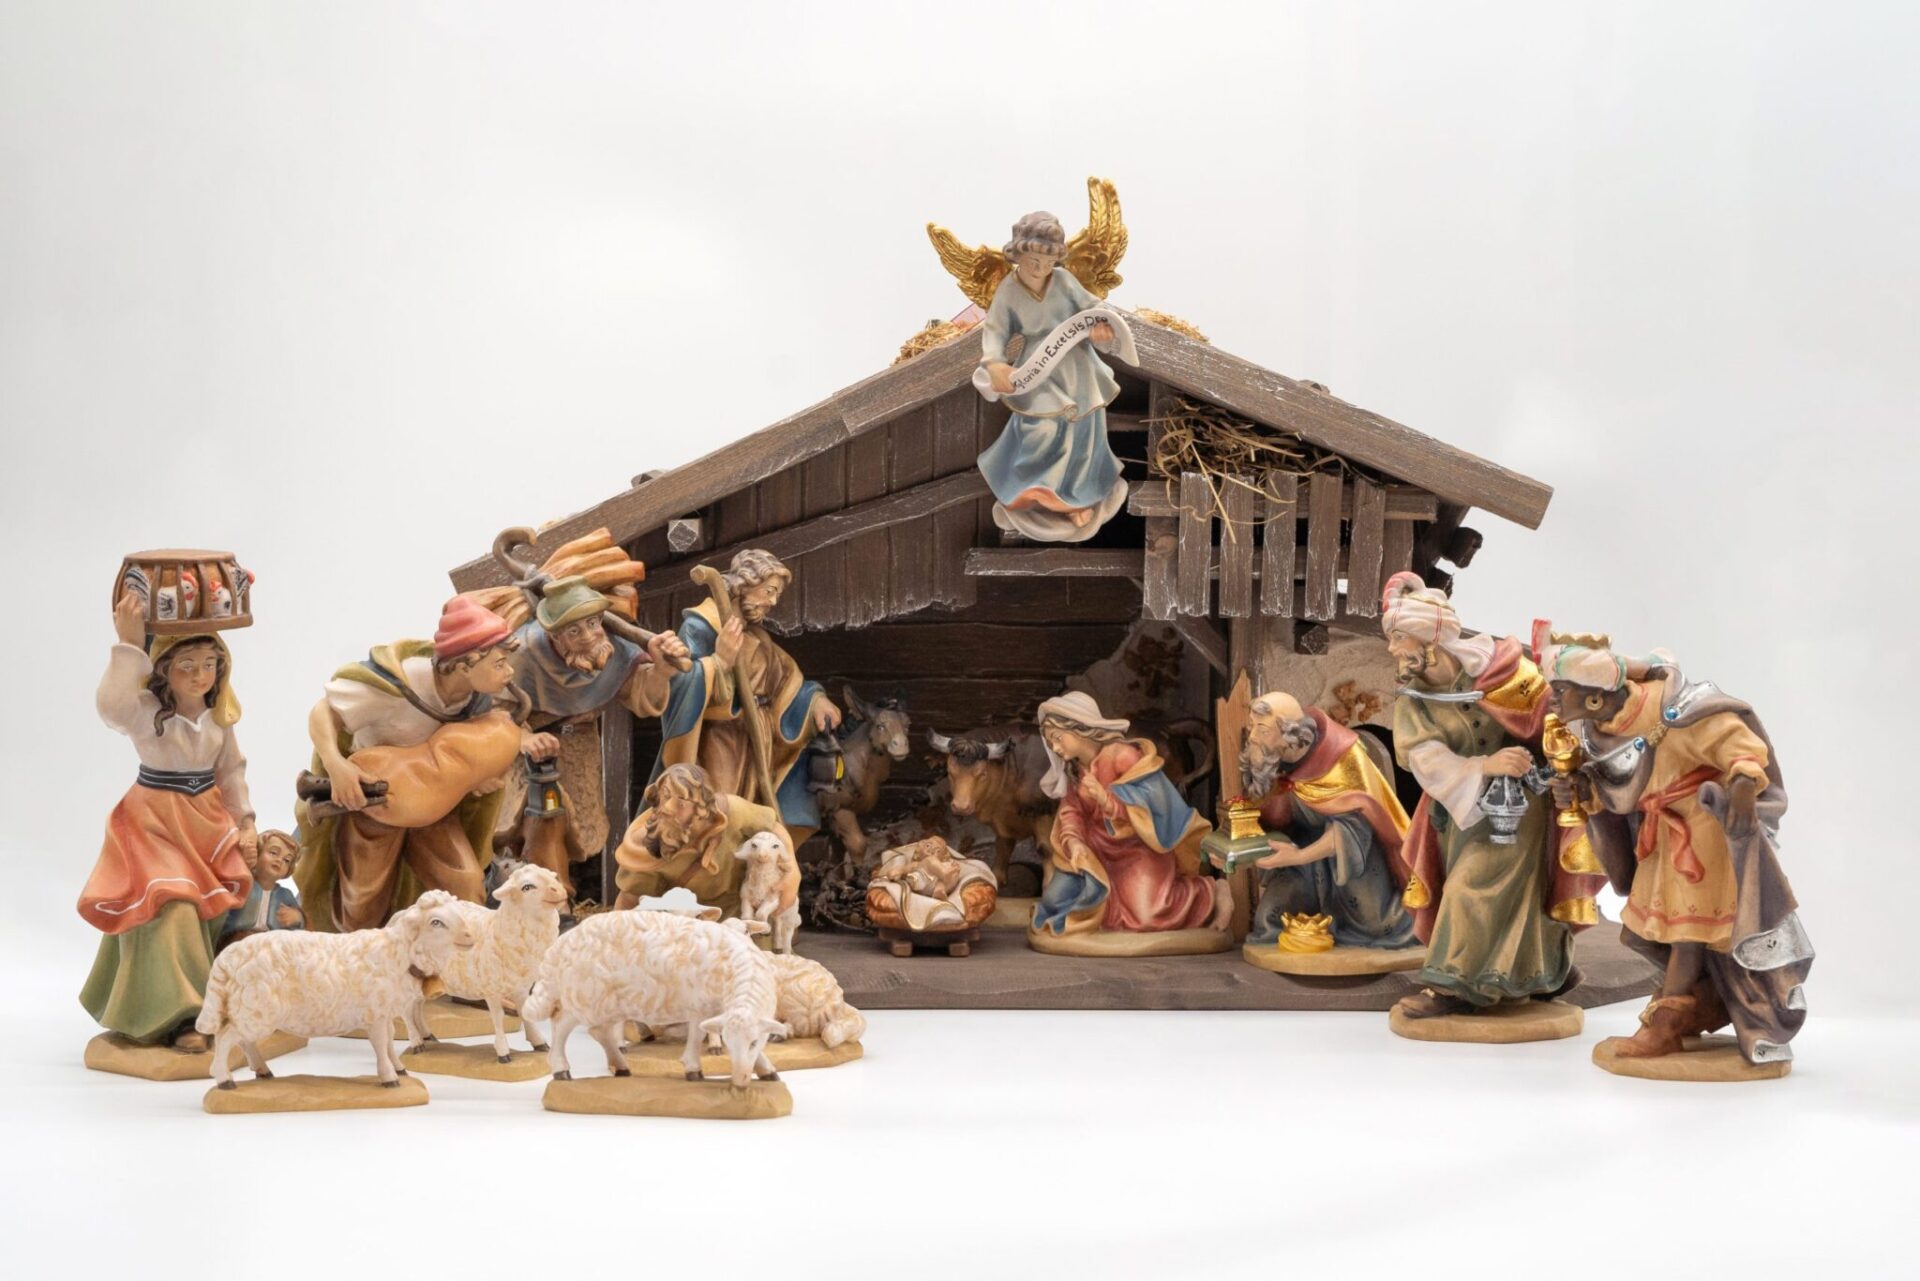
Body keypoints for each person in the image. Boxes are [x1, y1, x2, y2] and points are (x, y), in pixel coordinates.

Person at [1541, 635, 1811, 1064]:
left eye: (1560, 689)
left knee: (1686, 936)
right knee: (1648, 934)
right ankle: (1699, 1003)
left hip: (1702, 836)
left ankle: (1663, 1028)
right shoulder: (1599, 731)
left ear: (1594, 696)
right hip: (1661, 837)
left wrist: (1743, 784)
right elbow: (1618, 790)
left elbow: (1736, 743)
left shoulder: (1673, 713)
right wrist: (1583, 792)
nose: (1552, 698)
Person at [1381, 573, 1601, 1018]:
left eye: (1399, 638)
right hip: (1458, 811)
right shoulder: (1415, 700)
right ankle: (1539, 973)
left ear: (1428, 639)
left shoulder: (1503, 672)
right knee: (1478, 884)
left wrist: (1557, 756)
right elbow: (1422, 758)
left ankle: (1451, 984)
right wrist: (1484, 765)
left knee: (1478, 886)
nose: (1392, 649)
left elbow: (1554, 719)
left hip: (1522, 804)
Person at [293, 596, 537, 931]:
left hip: (434, 807)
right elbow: (325, 712)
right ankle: (358, 958)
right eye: (499, 663)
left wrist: (474, 779)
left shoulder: (476, 700)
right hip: (374, 800)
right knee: (361, 901)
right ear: (464, 665)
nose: (509, 672)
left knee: (465, 885)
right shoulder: (398, 685)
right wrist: (336, 766)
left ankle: (461, 958)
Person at [79, 593, 257, 1050]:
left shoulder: (219, 718)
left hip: (205, 821)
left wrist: (246, 823)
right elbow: (112, 706)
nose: (200, 676)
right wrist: (129, 646)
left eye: (209, 665)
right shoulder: (146, 713)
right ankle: (184, 1014)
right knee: (171, 905)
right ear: (164, 671)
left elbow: (230, 771)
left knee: (217, 910)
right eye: (187, 666)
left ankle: (222, 998)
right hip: (154, 822)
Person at [504, 574, 689, 895]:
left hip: (580, 747)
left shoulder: (614, 649)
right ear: (554, 635)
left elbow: (642, 697)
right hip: (527, 752)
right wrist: (522, 737)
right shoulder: (522, 653)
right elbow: (493, 706)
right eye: (574, 631)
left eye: (593, 623)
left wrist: (661, 670)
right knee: (535, 819)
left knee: (576, 829)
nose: (589, 636)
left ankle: (552, 891)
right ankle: (536, 892)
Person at [650, 549, 837, 849]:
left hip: (758, 736)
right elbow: (681, 684)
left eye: (776, 594)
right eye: (769, 591)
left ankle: (749, 869)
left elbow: (785, 680)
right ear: (746, 584)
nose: (772, 602)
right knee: (721, 811)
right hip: (718, 741)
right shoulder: (700, 627)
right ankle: (713, 868)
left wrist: (816, 701)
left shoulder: (757, 636)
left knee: (755, 816)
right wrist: (719, 662)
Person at [974, 211, 1131, 542]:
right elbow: (995, 331)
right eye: (1034, 260)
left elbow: (1095, 309)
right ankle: (1031, 491)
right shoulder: (1008, 290)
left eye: (1048, 262)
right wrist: (995, 364)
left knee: (1083, 434)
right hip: (1038, 372)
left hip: (1079, 369)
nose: (1040, 268)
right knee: (1040, 431)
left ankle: (1077, 499)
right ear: (1018, 254)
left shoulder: (1064, 281)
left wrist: (1102, 328)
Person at [1030, 692, 1230, 937]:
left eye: (1057, 738)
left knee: (1149, 916)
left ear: (1078, 727)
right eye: (1050, 742)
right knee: (1054, 903)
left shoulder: (1122, 755)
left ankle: (1210, 892)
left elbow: (1154, 803)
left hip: (1137, 848)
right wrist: (1074, 842)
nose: (1055, 747)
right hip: (1095, 852)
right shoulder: (1074, 770)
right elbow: (1071, 812)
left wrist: (1107, 801)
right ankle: (1104, 910)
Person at [1228, 691, 1417, 951]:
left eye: (1262, 730)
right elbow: (1265, 818)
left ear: (1289, 733)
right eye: (1252, 727)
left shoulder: (1341, 758)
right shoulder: (1272, 760)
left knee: (1380, 925)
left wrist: (1298, 856)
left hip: (1353, 858)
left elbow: (1355, 829)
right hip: (1301, 856)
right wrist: (1234, 849)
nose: (1252, 737)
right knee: (1270, 920)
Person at [612, 763, 790, 917]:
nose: (667, 808)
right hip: (684, 920)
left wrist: (792, 875)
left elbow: (773, 827)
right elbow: (630, 898)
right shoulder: (649, 840)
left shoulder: (732, 812)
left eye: (681, 803)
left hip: (738, 910)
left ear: (700, 809)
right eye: (665, 796)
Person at [219, 828, 303, 946]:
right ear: (257, 853)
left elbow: (300, 925)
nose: (279, 860)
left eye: (287, 860)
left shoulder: (285, 895)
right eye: (273, 853)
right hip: (239, 938)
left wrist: (297, 918)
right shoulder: (243, 884)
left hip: (273, 942)